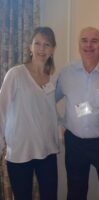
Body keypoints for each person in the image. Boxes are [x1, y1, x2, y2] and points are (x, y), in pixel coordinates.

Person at [56, 27, 99, 200]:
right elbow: (47, 102)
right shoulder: (66, 73)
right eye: (84, 40)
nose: (89, 45)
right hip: (75, 143)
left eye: (94, 41)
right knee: (75, 191)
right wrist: (59, 122)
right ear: (79, 45)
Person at [0, 27, 59, 200]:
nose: (42, 49)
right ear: (30, 47)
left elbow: (49, 112)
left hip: (47, 150)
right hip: (20, 151)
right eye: (37, 43)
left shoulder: (52, 78)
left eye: (47, 44)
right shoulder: (16, 74)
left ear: (53, 49)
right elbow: (1, 109)